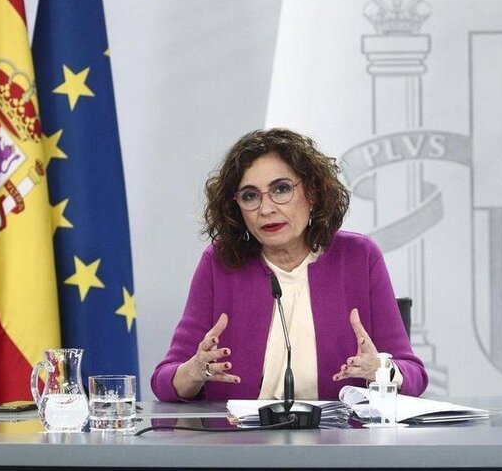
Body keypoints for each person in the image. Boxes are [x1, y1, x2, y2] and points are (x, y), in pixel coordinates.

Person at [151, 128, 427, 401]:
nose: (266, 208)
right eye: (250, 196)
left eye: (281, 189)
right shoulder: (220, 262)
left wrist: (380, 370)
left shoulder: (358, 256)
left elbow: (414, 375)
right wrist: (196, 371)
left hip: (339, 440)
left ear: (313, 192)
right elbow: (164, 382)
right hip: (239, 440)